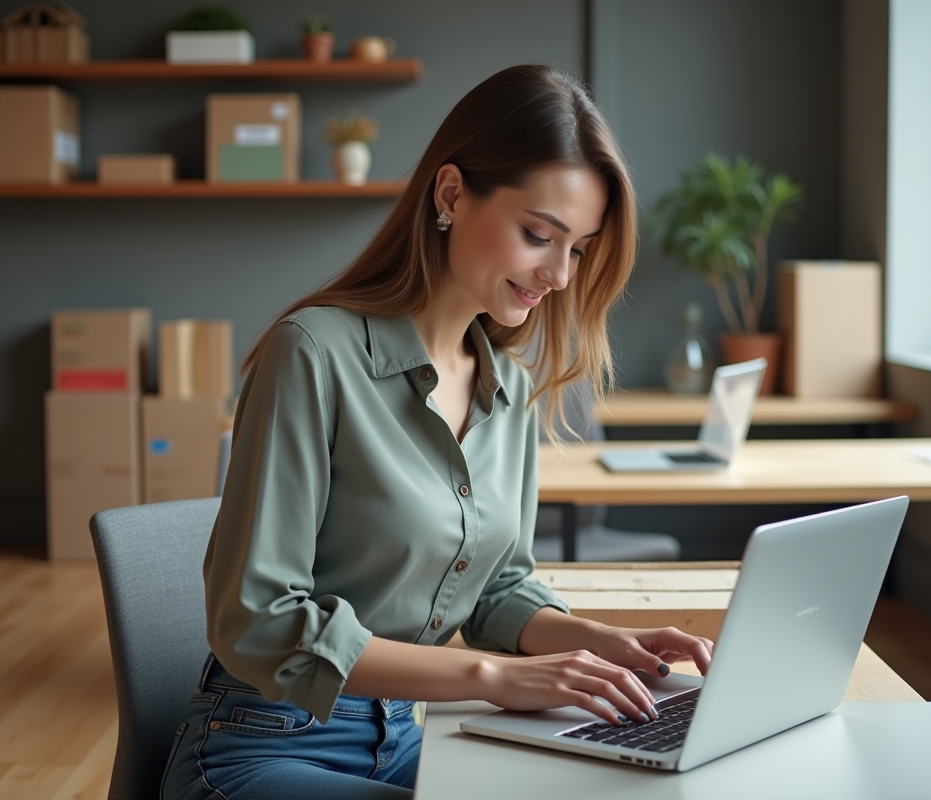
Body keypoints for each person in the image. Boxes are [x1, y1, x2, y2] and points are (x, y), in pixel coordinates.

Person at [161, 63, 714, 800]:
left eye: (577, 249)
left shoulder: (508, 387)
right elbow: (260, 620)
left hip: (406, 735)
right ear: (451, 194)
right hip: (260, 747)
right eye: (538, 235)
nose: (559, 274)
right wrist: (494, 678)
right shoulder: (315, 353)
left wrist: (605, 644)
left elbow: (496, 594)